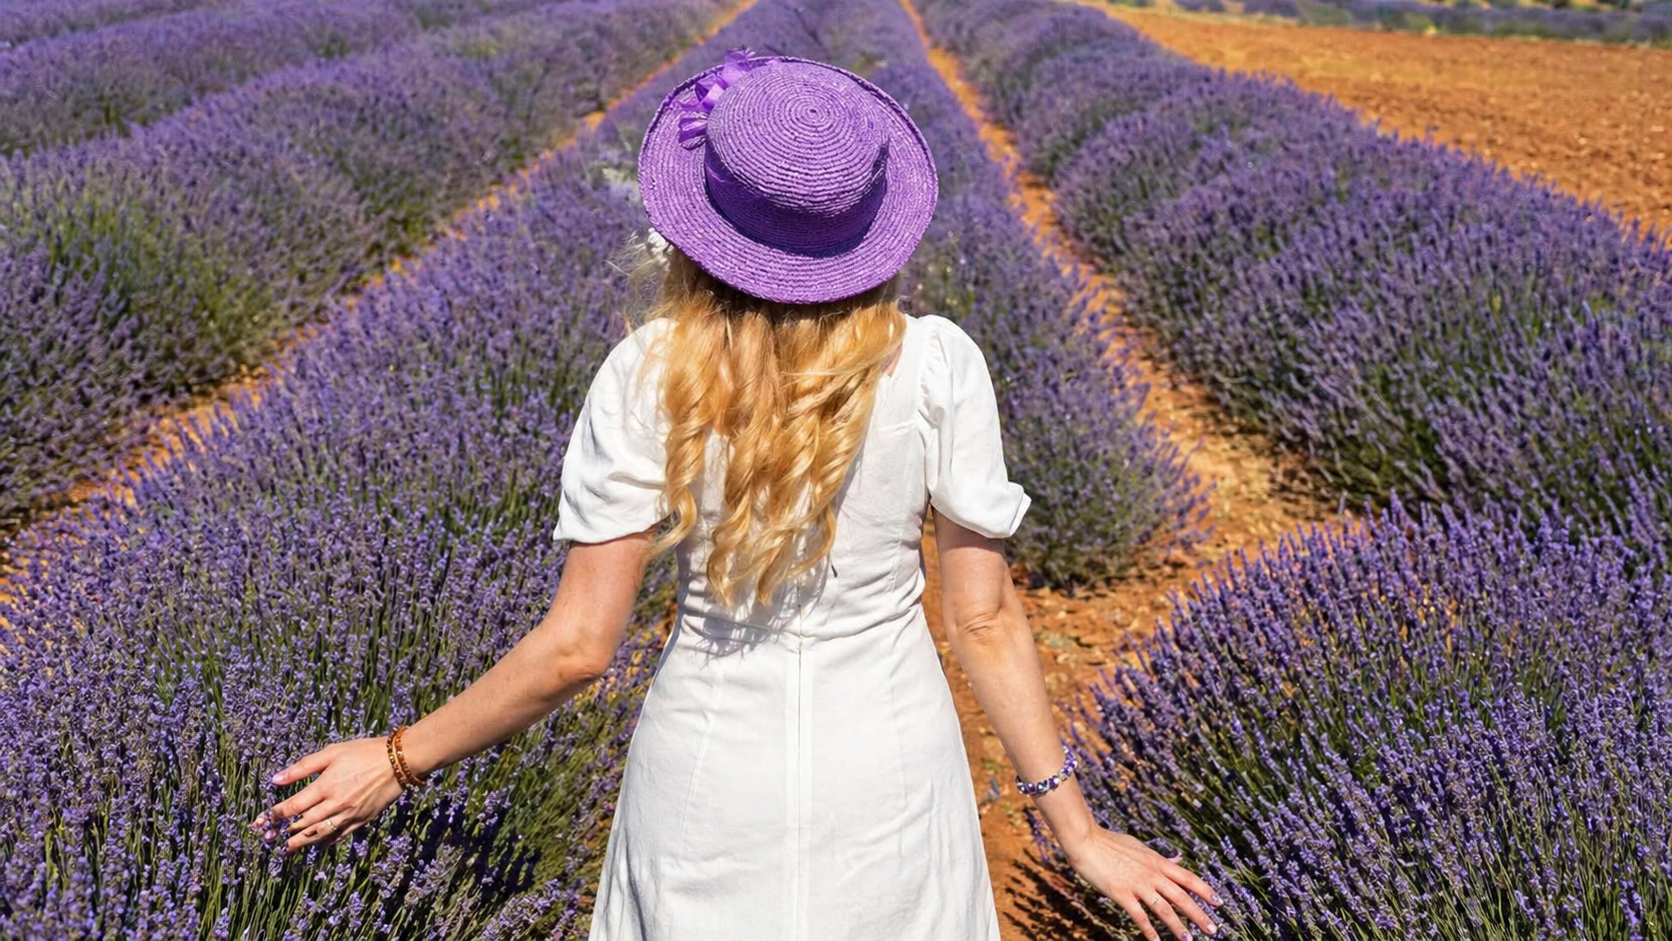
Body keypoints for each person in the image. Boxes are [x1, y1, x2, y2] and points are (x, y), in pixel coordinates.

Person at [247, 49, 1223, 941]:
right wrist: (1076, 828)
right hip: (887, 774)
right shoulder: (936, 365)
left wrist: (396, 758)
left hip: (709, 780)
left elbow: (577, 647)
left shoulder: (646, 373)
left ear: (700, 224)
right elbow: (986, 617)